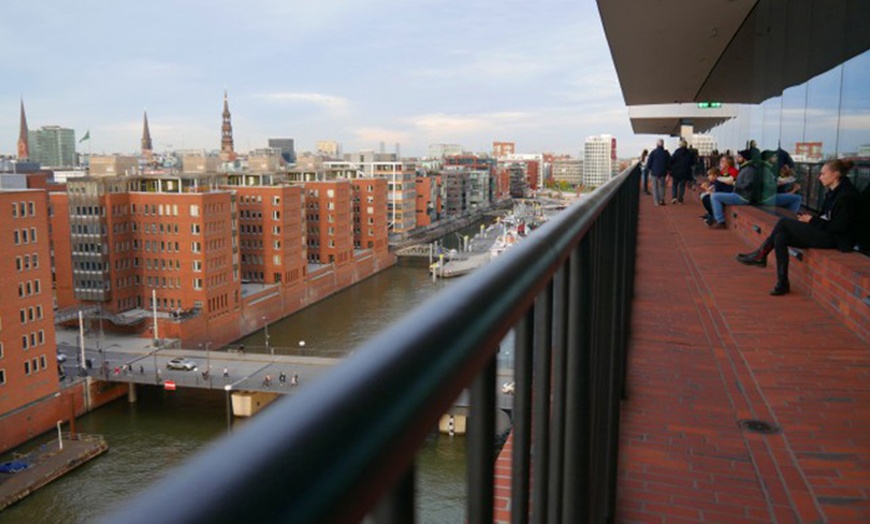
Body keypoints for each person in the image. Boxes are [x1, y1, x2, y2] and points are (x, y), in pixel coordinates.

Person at [736, 159, 861, 295]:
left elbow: (839, 227)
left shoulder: (847, 196)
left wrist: (812, 220)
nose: (819, 177)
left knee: (784, 222)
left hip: (837, 239)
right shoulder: (833, 192)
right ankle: (782, 283)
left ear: (836, 175)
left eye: (823, 174)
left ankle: (761, 254)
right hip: (826, 231)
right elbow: (826, 217)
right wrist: (810, 220)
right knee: (780, 237)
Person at [708, 149, 757, 228]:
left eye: (739, 157)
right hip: (739, 194)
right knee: (713, 195)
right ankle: (714, 217)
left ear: (745, 158)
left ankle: (720, 221)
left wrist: (735, 183)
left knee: (715, 196)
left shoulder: (749, 169)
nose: (737, 158)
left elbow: (748, 185)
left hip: (743, 197)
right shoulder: (744, 168)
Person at [669, 139, 694, 204]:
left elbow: (671, 160)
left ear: (680, 145)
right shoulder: (689, 153)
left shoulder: (677, 152)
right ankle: (680, 199)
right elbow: (692, 162)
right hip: (685, 172)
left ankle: (674, 197)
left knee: (674, 184)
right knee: (682, 186)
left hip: (676, 172)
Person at [646, 139, 671, 205]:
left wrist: (650, 169)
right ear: (663, 144)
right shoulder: (666, 153)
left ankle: (656, 201)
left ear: (657, 144)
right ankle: (662, 200)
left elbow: (649, 163)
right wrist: (668, 170)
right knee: (662, 186)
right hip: (663, 172)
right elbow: (669, 163)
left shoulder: (653, 152)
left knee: (654, 187)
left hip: (654, 172)